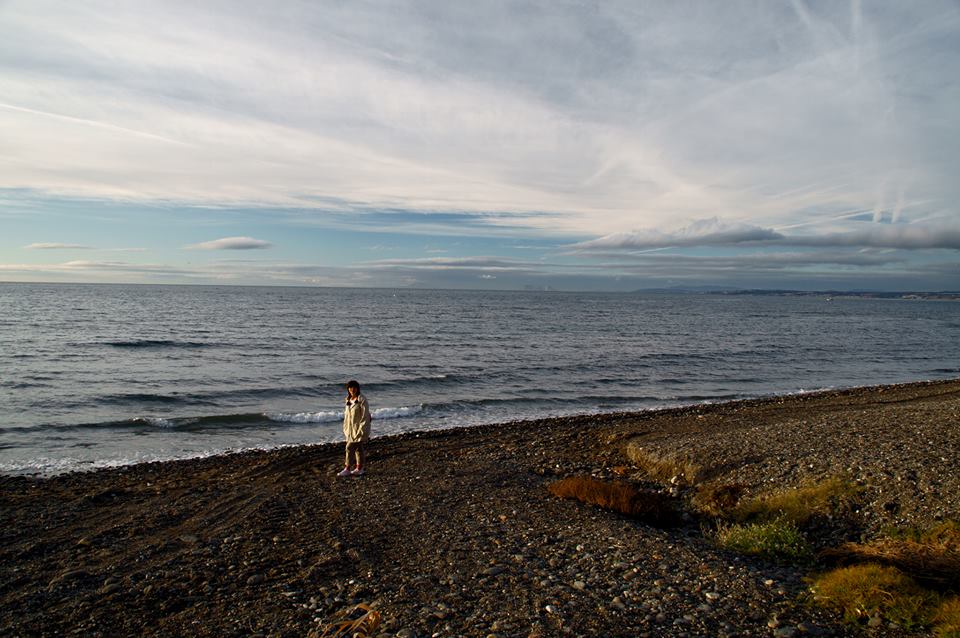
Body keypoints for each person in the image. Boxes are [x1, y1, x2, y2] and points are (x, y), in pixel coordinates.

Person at [338, 380, 371, 477]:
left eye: (354, 387)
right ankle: (359, 468)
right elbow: (347, 416)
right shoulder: (348, 400)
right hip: (350, 429)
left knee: (349, 447)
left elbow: (365, 416)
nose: (352, 389)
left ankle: (347, 468)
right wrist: (345, 428)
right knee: (358, 448)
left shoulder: (362, 400)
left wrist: (362, 429)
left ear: (357, 388)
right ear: (348, 389)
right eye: (350, 387)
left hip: (359, 429)